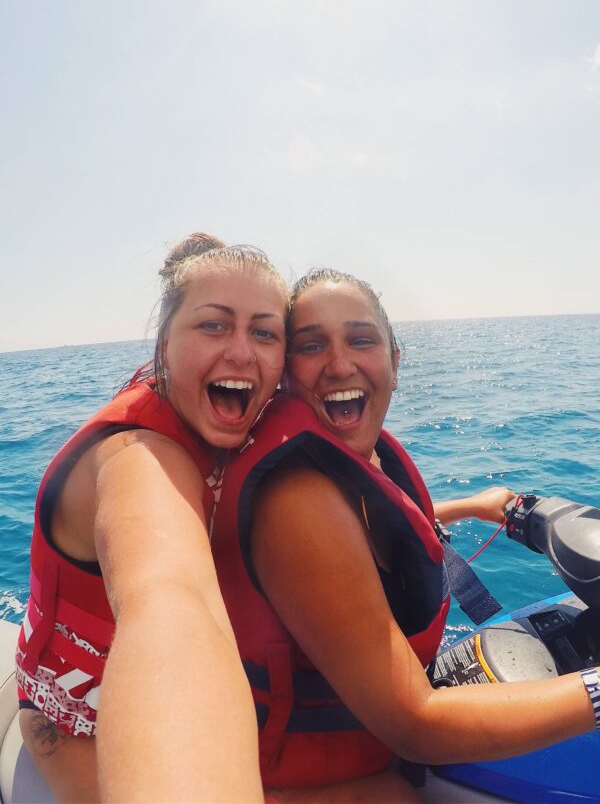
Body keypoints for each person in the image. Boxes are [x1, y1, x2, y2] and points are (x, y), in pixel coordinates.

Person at [210, 268, 599, 803]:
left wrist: (476, 506)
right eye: (312, 344)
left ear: (394, 360)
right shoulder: (296, 500)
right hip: (327, 781)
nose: (340, 363)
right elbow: (413, 727)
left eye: (360, 339)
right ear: (283, 373)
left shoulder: (360, 457)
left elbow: (378, 523)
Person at [15, 233, 288, 803]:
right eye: (214, 325)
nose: (242, 352)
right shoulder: (137, 456)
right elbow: (169, 597)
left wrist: (465, 506)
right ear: (165, 342)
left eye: (264, 332)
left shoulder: (218, 428)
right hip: (78, 735)